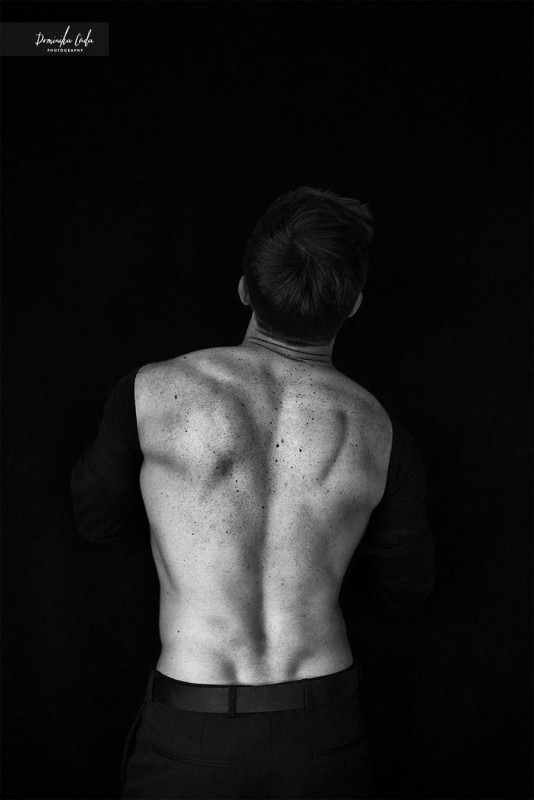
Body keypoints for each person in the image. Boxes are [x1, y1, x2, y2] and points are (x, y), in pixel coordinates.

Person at [71, 186, 435, 799]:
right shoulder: (382, 434)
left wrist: (181, 535)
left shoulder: (150, 394)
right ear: (354, 305)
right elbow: (405, 591)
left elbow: (97, 519)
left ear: (245, 289)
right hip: (321, 731)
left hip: (191, 726)